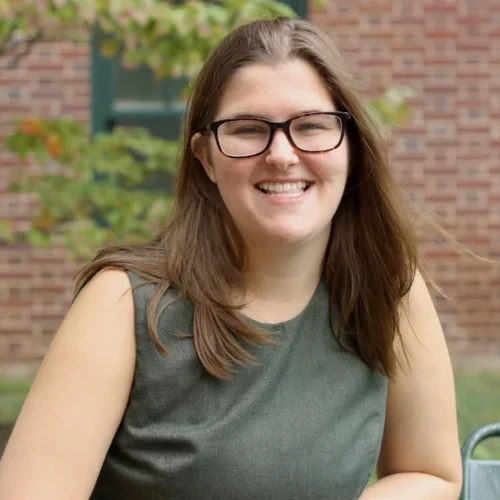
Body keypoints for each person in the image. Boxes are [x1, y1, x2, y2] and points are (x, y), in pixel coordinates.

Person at [0, 17, 463, 500]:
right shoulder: (122, 305)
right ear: (205, 158)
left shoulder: (387, 289)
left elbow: (430, 472)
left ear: (351, 147)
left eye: (311, 125)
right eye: (247, 129)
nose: (282, 154)